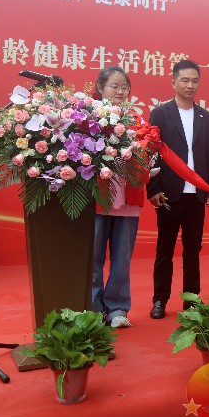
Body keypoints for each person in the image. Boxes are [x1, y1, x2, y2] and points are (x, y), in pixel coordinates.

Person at [147, 60, 209, 319]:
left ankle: (192, 300)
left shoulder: (205, 116)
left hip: (196, 194)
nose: (190, 85)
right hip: (169, 192)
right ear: (174, 82)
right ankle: (159, 300)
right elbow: (151, 153)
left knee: (193, 250)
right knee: (164, 248)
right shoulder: (160, 113)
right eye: (185, 80)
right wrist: (153, 188)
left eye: (195, 81)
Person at [91, 66, 143, 328]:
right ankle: (92, 309)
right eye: (115, 86)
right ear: (100, 88)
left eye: (125, 87)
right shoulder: (88, 117)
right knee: (93, 257)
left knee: (122, 258)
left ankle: (117, 308)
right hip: (97, 198)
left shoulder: (136, 120)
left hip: (127, 199)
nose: (121, 92)